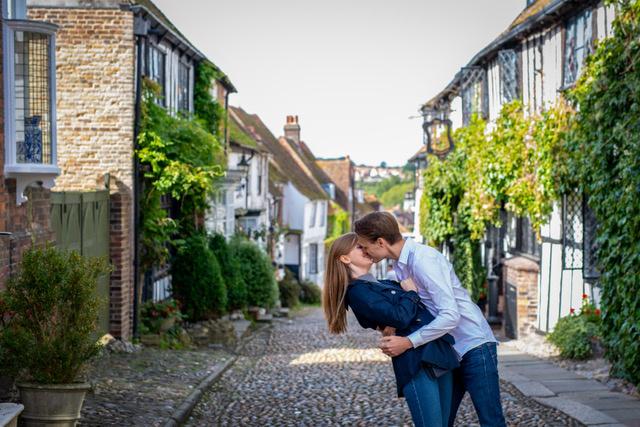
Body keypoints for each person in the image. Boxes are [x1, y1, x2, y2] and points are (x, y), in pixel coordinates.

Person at [354, 212, 506, 427]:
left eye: (363, 245)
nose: (364, 250)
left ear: (380, 242)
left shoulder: (423, 260)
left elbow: (450, 315)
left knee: (491, 420)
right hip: (448, 351)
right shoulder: (400, 266)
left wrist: (408, 342)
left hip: (474, 345)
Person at [323, 233, 459, 427]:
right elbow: (400, 317)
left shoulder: (379, 283)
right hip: (415, 362)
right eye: (359, 247)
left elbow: (401, 314)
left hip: (438, 352)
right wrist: (411, 292)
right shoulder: (357, 292)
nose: (366, 249)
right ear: (344, 258)